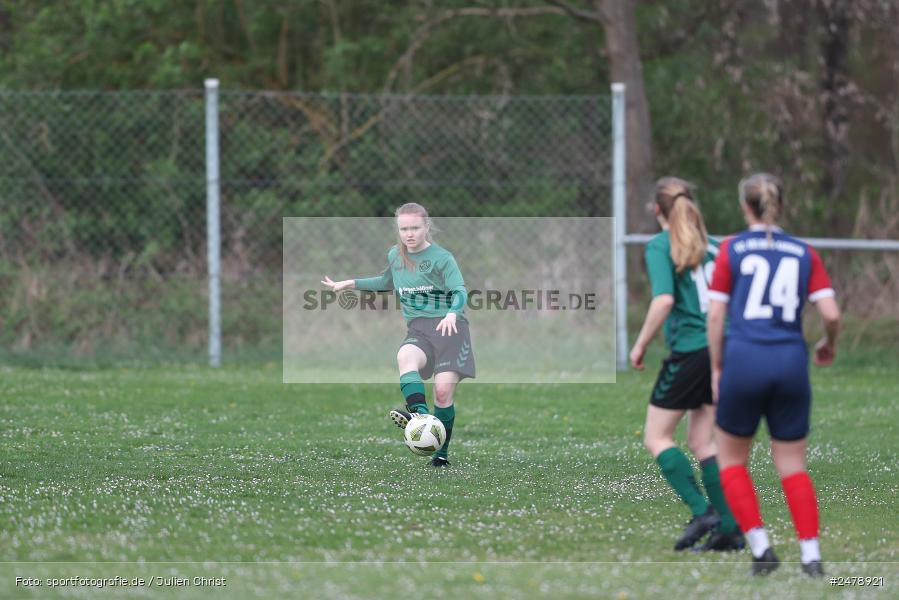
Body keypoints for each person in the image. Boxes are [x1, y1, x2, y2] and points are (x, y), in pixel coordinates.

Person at [707, 173, 841, 577]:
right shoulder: (803, 252)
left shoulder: (731, 249)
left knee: (730, 459)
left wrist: (717, 365)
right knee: (793, 464)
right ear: (780, 205)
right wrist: (827, 343)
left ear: (745, 206)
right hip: (789, 362)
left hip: (745, 359)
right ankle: (811, 556)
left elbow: (716, 315)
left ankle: (762, 549)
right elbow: (831, 313)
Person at [629, 177, 744, 552]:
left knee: (656, 436)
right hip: (724, 348)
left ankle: (702, 511)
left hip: (693, 351)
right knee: (701, 440)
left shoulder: (662, 244)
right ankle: (728, 528)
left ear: (657, 210)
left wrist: (640, 344)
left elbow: (663, 301)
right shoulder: (715, 247)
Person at [321, 203, 475, 468]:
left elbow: (459, 290)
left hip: (450, 330)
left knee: (441, 394)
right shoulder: (396, 255)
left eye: (415, 228)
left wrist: (452, 313)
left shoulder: (442, 258)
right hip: (419, 329)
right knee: (405, 356)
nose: (409, 234)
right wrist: (350, 283)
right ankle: (421, 418)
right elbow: (384, 282)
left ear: (426, 227)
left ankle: (441, 454)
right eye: (404, 229)